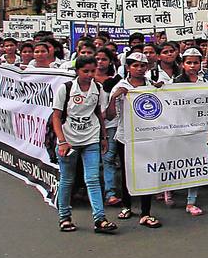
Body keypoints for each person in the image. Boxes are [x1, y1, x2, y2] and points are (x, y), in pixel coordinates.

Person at [51, 55, 115, 234]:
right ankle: (64, 217)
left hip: (91, 139)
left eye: (92, 71)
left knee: (93, 179)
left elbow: (98, 115)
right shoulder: (66, 89)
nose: (89, 74)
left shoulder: (98, 88)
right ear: (77, 71)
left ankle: (100, 219)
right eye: (85, 71)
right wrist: (62, 141)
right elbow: (56, 116)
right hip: (69, 140)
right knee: (67, 179)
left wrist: (103, 137)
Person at [106, 53, 162, 228]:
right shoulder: (121, 86)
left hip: (147, 137)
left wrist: (160, 90)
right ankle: (127, 206)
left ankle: (146, 212)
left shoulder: (151, 85)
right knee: (127, 172)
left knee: (148, 172)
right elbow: (109, 116)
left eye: (143, 66)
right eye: (135, 66)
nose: (139, 69)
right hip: (126, 137)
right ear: (128, 68)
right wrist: (115, 97)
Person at [172, 48, 207, 215]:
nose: (192, 66)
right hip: (180, 129)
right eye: (189, 62)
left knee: (195, 164)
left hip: (200, 130)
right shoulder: (175, 83)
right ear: (182, 64)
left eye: (196, 62)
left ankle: (191, 202)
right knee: (178, 163)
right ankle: (168, 190)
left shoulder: (205, 81)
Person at [95, 48, 124, 207]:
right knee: (93, 160)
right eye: (97, 59)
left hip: (111, 125)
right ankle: (93, 192)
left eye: (104, 59)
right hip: (90, 127)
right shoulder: (85, 79)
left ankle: (110, 193)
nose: (100, 62)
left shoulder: (116, 81)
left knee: (108, 158)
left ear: (110, 62)